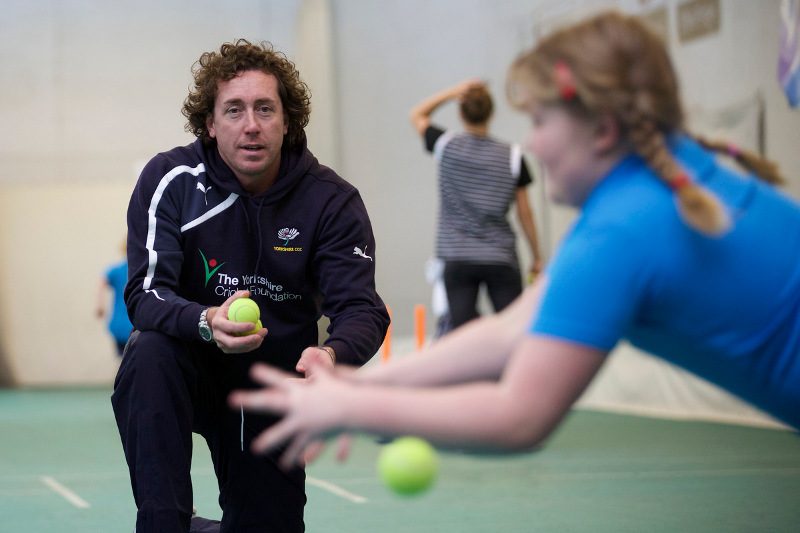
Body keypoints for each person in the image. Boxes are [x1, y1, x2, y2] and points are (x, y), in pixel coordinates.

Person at [229, 11, 799, 469]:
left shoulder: (625, 231)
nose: (534, 145)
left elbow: (518, 414)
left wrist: (357, 405)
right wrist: (359, 381)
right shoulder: (655, 189)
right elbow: (508, 329)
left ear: (601, 131)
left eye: (542, 122)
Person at [111, 39, 389, 533]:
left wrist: (331, 356)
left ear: (288, 121)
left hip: (273, 385)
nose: (252, 125)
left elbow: (363, 309)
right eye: (234, 110)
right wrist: (205, 320)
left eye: (265, 108)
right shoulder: (171, 179)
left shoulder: (331, 201)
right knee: (148, 351)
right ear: (211, 124)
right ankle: (163, 524)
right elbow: (145, 294)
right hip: (188, 367)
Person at [410, 80, 544, 333]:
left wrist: (453, 92)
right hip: (500, 255)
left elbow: (417, 114)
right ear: (491, 114)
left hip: (457, 255)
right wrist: (536, 256)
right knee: (513, 331)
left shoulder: (445, 145)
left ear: (461, 113)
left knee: (463, 335)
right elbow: (525, 212)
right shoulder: (513, 156)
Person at [95, 239, 133, 356]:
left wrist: (100, 305)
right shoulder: (140, 270)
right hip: (134, 325)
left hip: (118, 325)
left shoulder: (117, 270)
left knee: (124, 361)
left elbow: (102, 283)